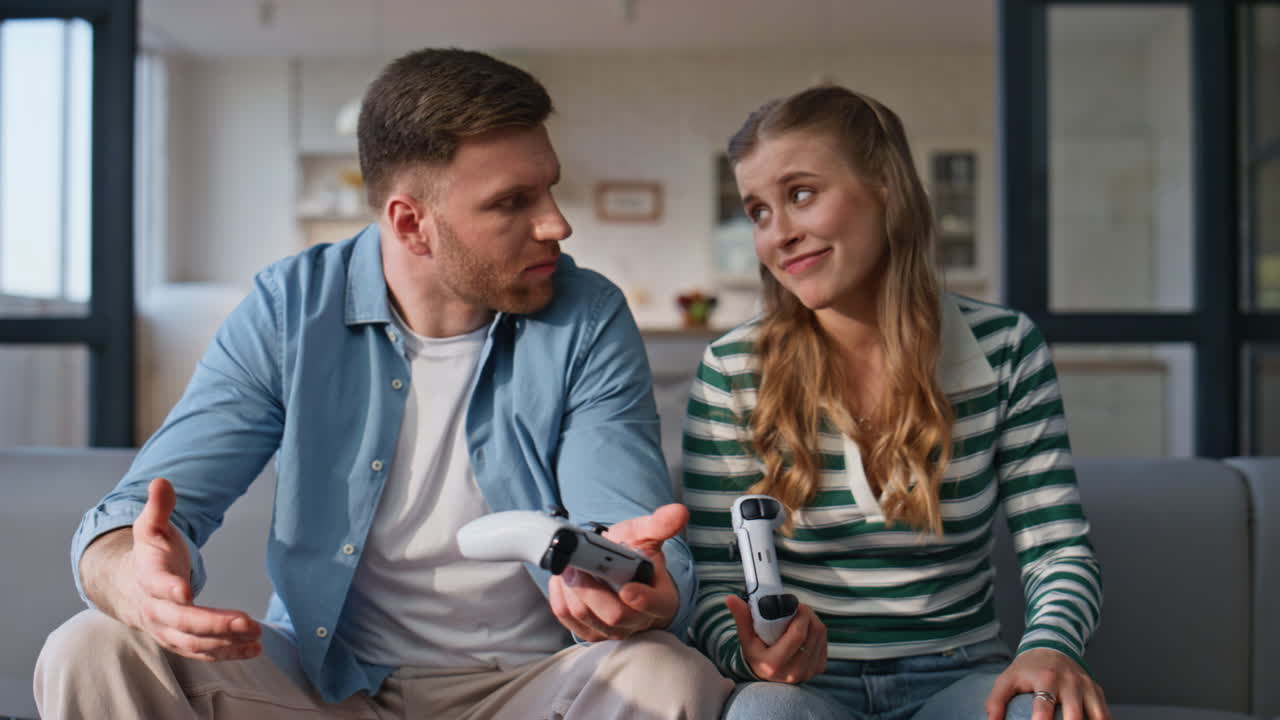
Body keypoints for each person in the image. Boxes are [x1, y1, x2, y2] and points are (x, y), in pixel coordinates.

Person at [35, 48, 731, 720]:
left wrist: (635, 584)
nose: (556, 222)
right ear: (411, 223)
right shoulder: (290, 310)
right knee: (90, 648)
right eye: (512, 202)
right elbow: (136, 515)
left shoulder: (587, 315)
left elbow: (626, 529)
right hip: (326, 689)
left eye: (548, 186)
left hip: (532, 688)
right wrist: (134, 577)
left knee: (668, 677)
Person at [681, 85, 1110, 720]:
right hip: (805, 688)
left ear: (885, 185)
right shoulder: (732, 369)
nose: (780, 236)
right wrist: (754, 657)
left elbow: (1057, 549)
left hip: (960, 675)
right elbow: (716, 583)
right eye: (758, 211)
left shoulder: (1005, 348)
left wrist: (1049, 647)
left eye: (800, 195)